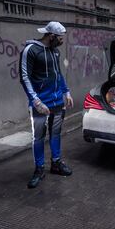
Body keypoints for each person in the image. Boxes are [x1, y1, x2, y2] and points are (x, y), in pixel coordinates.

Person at [19, 21, 74, 189]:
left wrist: (66, 92)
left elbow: (58, 74)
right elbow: (24, 77)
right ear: (51, 36)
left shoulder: (54, 52)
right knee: (39, 137)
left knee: (56, 133)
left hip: (57, 102)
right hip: (40, 103)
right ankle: (39, 169)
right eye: (60, 38)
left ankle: (56, 164)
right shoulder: (30, 50)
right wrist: (35, 101)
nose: (62, 41)